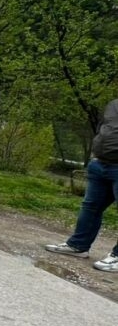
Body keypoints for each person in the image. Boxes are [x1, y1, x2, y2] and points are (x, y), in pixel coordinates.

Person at [45, 97, 118, 272]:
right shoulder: (114, 104)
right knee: (90, 207)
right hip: (101, 163)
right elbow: (104, 129)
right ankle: (78, 246)